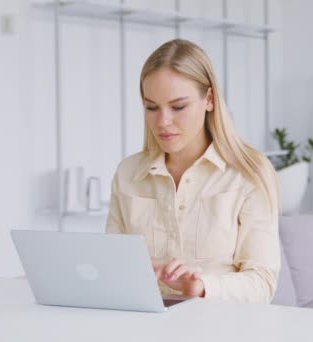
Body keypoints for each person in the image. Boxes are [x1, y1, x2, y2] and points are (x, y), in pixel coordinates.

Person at [105, 39, 280, 304]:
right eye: (151, 107)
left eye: (178, 107)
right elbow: (110, 267)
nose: (163, 121)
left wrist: (200, 287)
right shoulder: (128, 173)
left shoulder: (249, 172)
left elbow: (262, 283)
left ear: (209, 99)